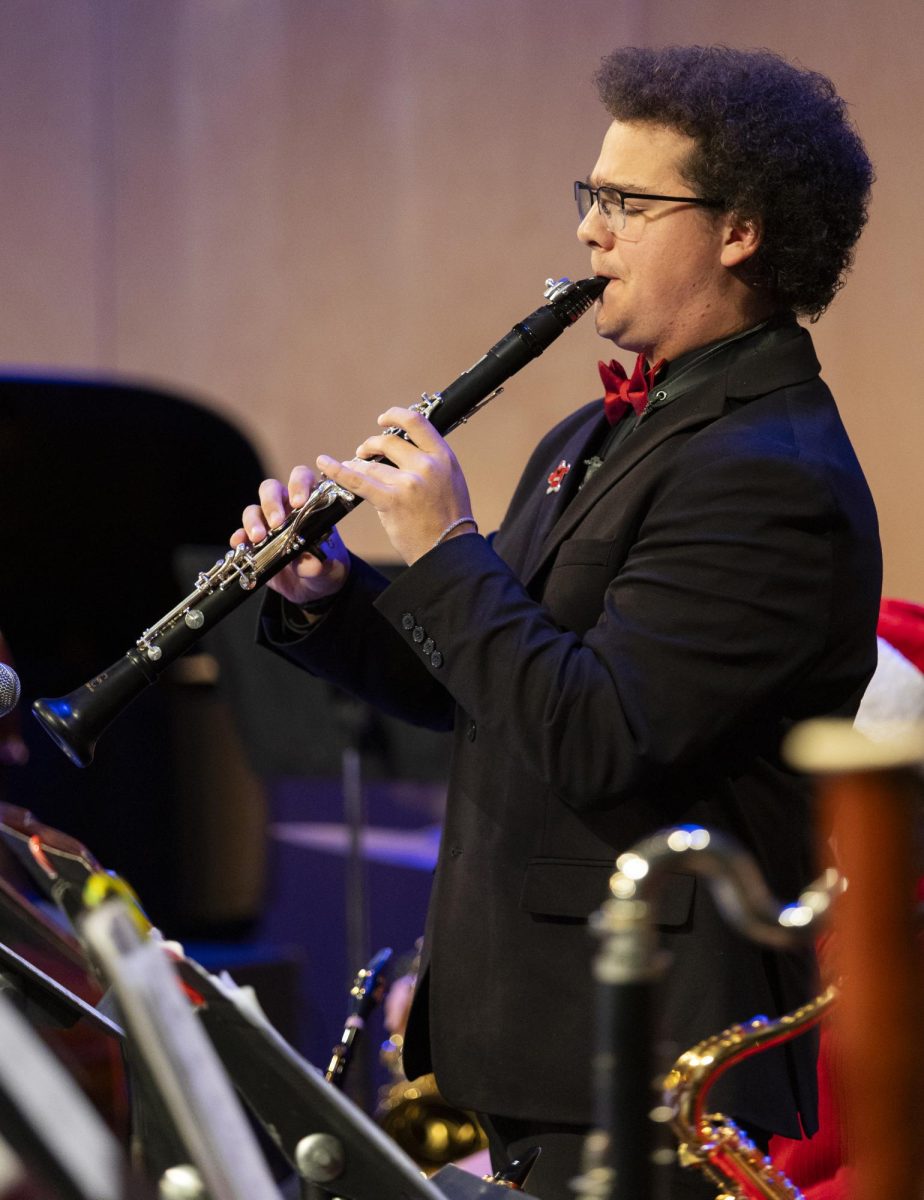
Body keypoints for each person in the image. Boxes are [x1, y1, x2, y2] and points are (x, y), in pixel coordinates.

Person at [235, 46, 880, 1199]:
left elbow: (598, 731)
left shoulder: (771, 472)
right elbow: (487, 683)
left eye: (629, 204)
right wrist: (330, 596)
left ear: (739, 230)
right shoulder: (594, 431)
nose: (592, 232)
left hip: (651, 1065)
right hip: (545, 1044)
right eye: (592, 197)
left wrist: (443, 547)